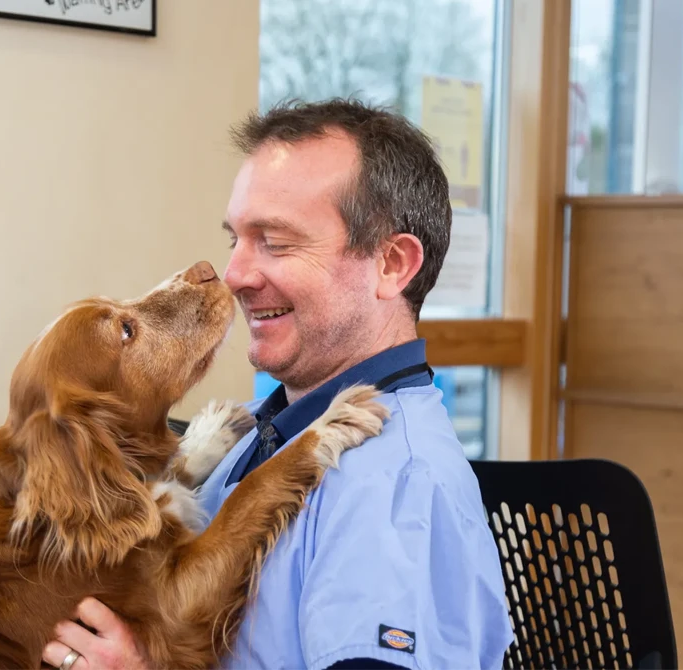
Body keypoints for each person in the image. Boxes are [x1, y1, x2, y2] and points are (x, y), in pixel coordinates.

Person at [42, 98, 513, 670]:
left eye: (277, 242)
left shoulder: (397, 486)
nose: (235, 275)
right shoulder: (254, 432)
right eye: (235, 240)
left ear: (392, 265)